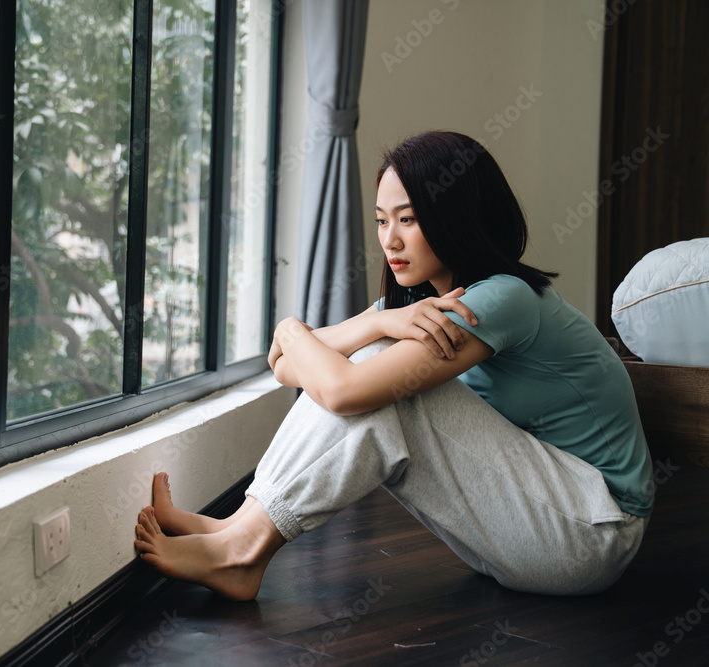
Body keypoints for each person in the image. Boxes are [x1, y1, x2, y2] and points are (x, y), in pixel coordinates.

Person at [133, 130, 654, 601]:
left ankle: (242, 548)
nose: (390, 240)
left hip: (593, 532)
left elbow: (333, 385)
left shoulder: (503, 298)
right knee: (370, 361)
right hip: (526, 526)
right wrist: (375, 324)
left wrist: (292, 328)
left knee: (374, 377)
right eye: (382, 221)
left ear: (457, 217)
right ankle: (238, 530)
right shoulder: (421, 307)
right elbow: (286, 368)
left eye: (408, 218)